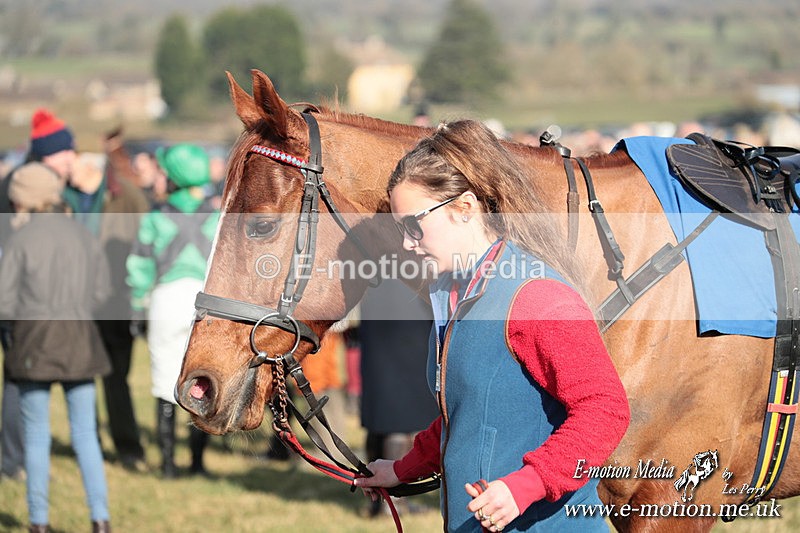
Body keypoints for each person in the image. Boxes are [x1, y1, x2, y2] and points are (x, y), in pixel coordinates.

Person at [354, 120, 630, 532]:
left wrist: (528, 484)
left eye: (414, 225)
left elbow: (605, 411)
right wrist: (402, 468)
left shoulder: (538, 298)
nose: (407, 243)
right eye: (400, 229)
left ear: (464, 208)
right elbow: (464, 417)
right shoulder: (450, 294)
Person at [0, 162, 112, 532]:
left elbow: (4, 302)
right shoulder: (82, 235)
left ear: (24, 201)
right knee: (86, 435)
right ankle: (100, 520)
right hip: (80, 341)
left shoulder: (20, 239)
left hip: (33, 346)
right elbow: (101, 293)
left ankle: (39, 522)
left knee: (35, 436)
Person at [126, 143, 219, 478]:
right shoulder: (217, 215)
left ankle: (167, 465)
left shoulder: (156, 215)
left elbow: (139, 265)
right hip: (205, 303)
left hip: (165, 300)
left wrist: (137, 305)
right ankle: (197, 463)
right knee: (204, 381)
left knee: (165, 380)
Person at [63, 127, 150, 473]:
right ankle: (88, 445)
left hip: (116, 299)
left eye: (71, 158)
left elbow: (146, 243)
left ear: (87, 162)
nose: (65, 166)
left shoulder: (125, 195)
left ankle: (128, 447)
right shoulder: (60, 198)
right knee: (79, 376)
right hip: (73, 301)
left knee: (116, 377)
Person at [1, 108, 79, 483]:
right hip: (23, 298)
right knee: (19, 379)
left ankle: (18, 456)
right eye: (67, 151)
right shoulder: (30, 185)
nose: (72, 159)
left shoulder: (30, 179)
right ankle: (14, 459)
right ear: (50, 152)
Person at [358, 279, 439, 517]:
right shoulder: (410, 257)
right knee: (398, 420)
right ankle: (392, 502)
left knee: (384, 417)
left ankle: (382, 498)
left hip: (381, 327)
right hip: (407, 329)